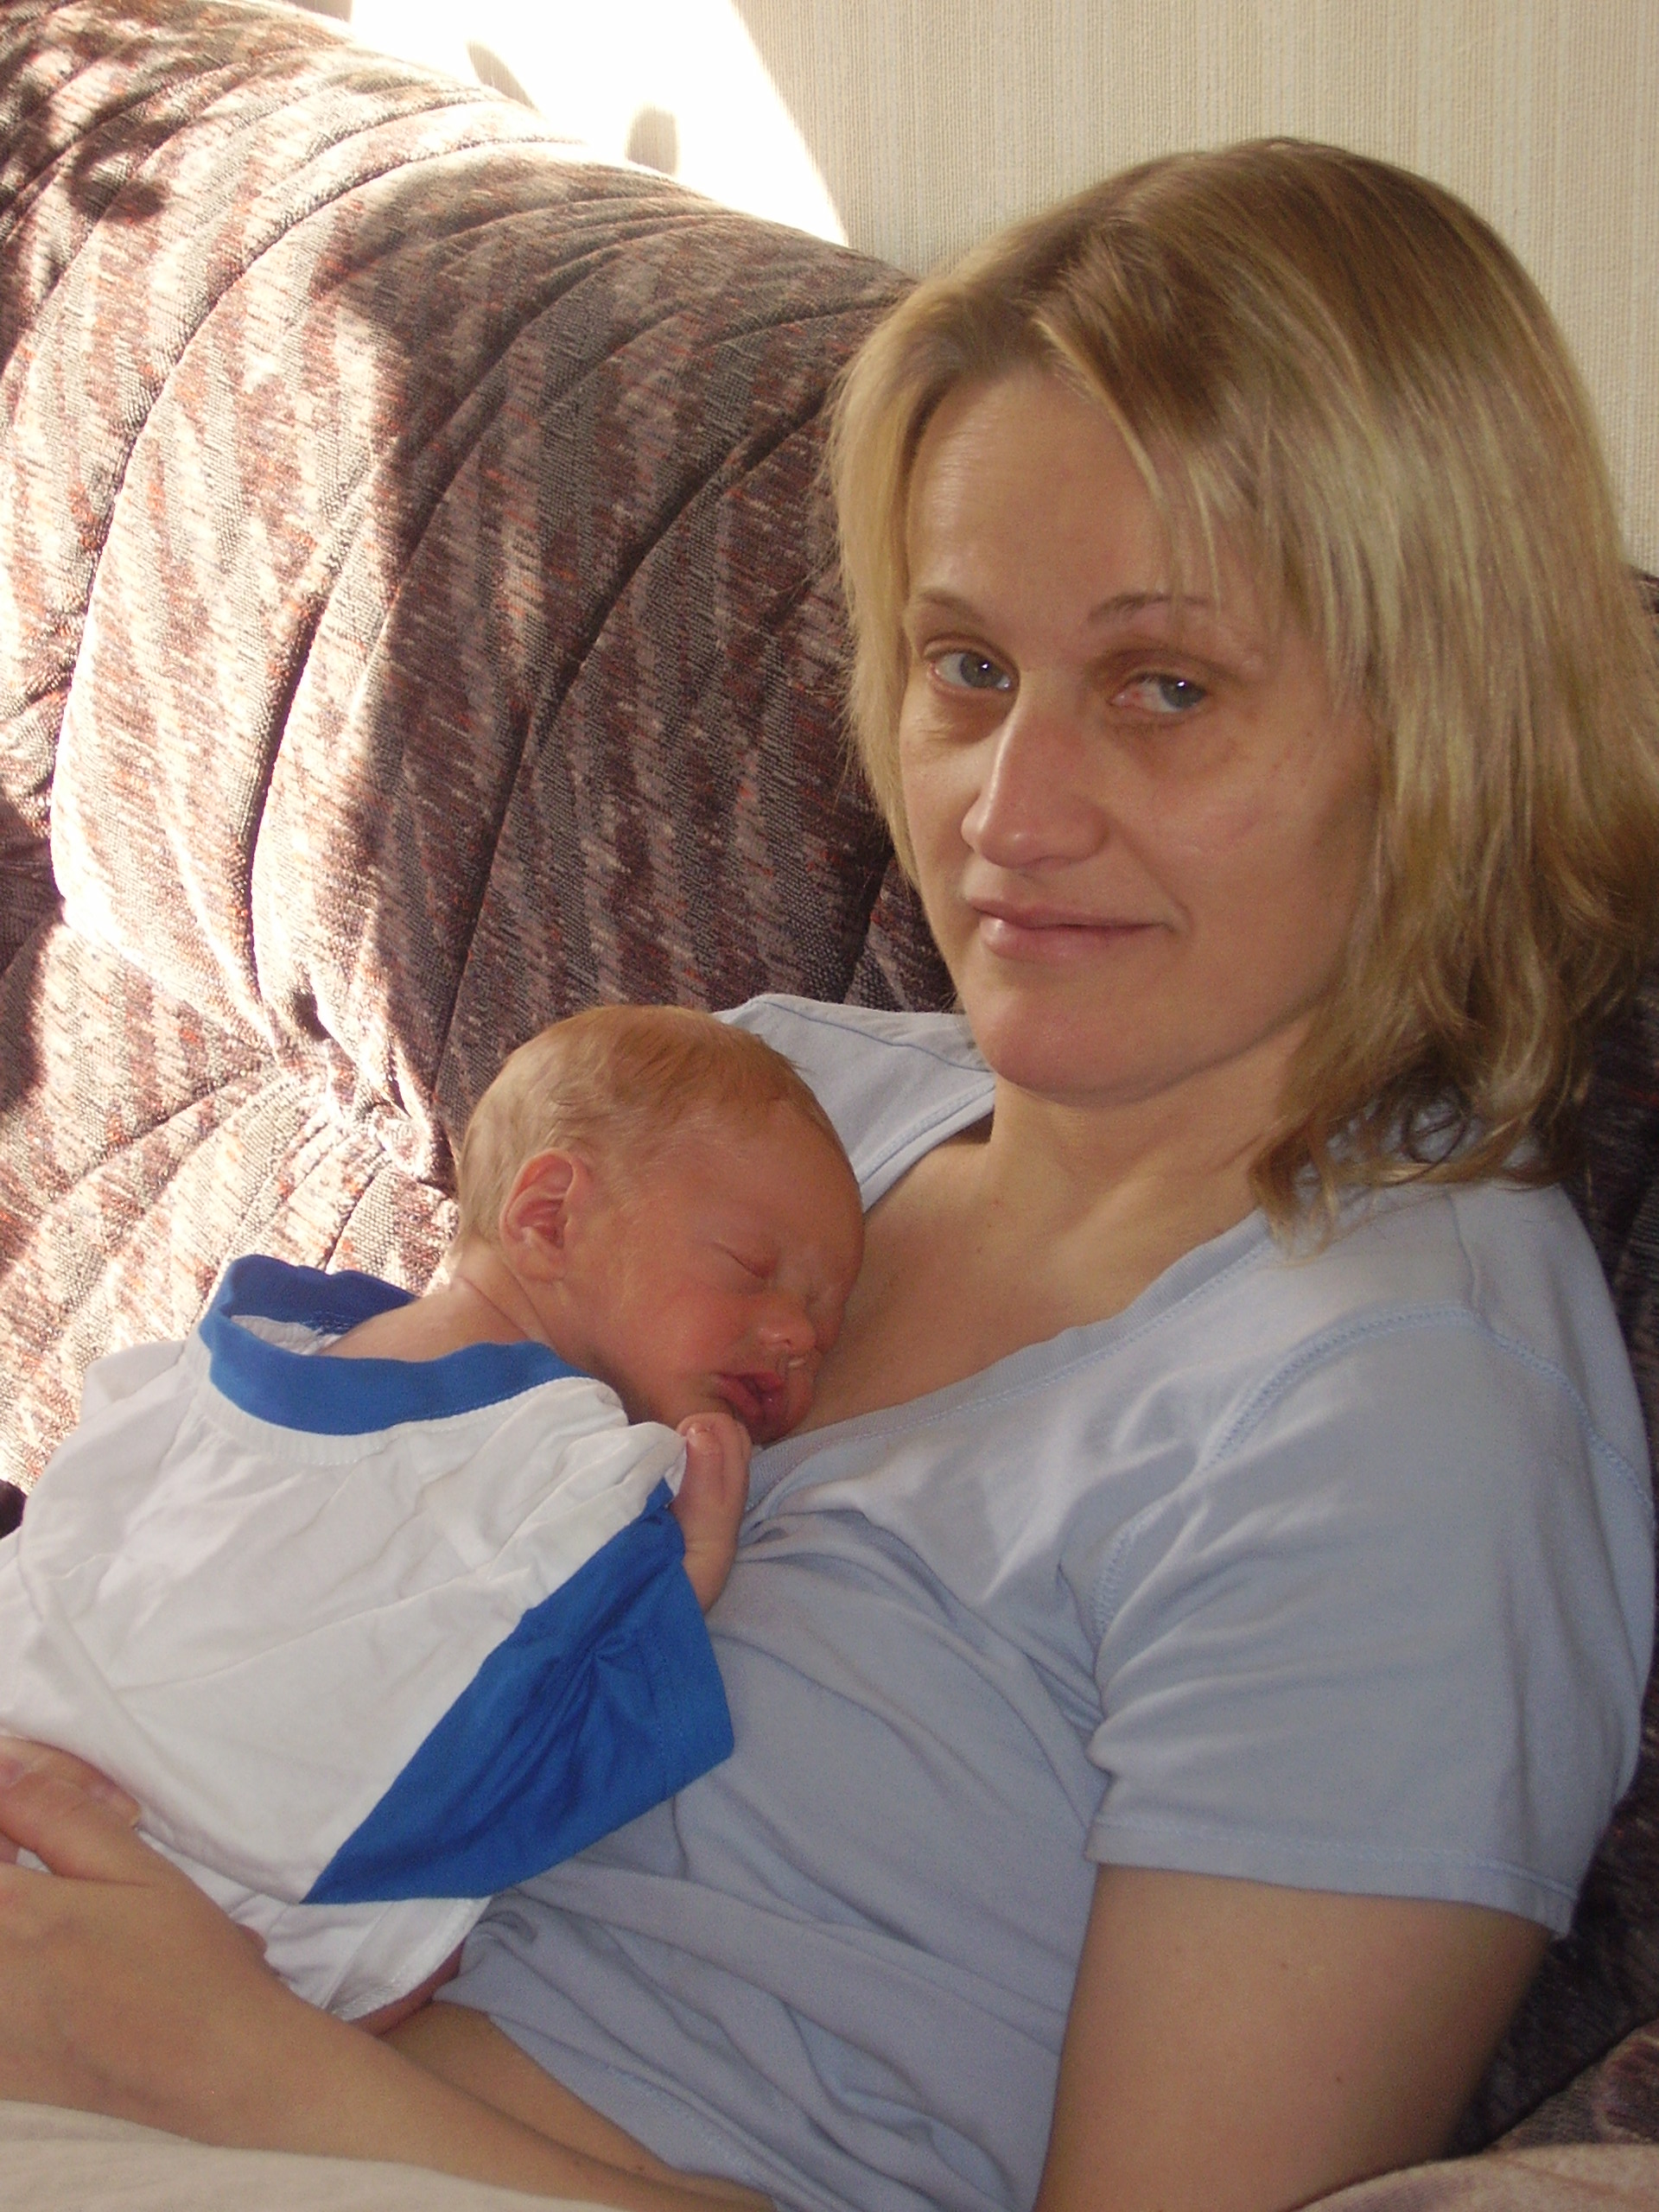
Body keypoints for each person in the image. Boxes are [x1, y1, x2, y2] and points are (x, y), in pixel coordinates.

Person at [3, 137, 1658, 2212]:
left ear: (1444, 725)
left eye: (1165, 687)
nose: (1008, 809)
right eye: (967, 668)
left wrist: (231, 2064)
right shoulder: (780, 1096)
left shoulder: (1399, 1413)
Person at [0, 1004, 864, 2029]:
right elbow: (576, 1734)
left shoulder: (239, 1344)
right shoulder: (579, 1459)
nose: (797, 1336)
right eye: (753, 1270)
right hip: (150, 1938)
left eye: (825, 1323)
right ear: (549, 1216)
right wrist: (694, 1564)